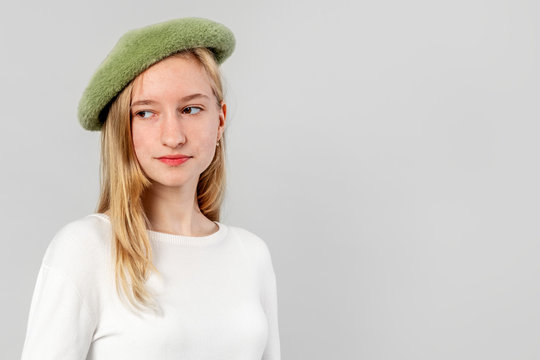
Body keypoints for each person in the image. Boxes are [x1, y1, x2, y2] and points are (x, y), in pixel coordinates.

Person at [21, 17, 281, 360]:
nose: (173, 136)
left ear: (219, 121)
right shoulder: (85, 250)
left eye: (191, 109)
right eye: (145, 113)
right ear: (121, 129)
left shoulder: (252, 256)